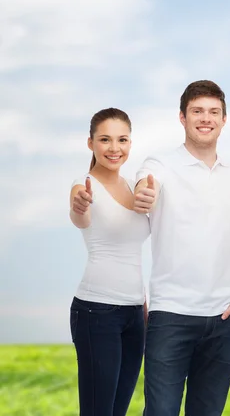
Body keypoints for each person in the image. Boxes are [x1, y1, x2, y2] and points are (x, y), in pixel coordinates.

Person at [133, 80, 230, 416]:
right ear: (182, 117)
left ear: (224, 120)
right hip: (171, 314)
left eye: (214, 112)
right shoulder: (160, 163)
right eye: (197, 111)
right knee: (161, 411)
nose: (206, 118)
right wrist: (144, 193)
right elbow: (145, 186)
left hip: (224, 317)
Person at [69, 107, 150, 416]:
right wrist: (80, 206)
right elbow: (80, 215)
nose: (114, 148)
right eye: (105, 140)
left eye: (122, 140)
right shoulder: (83, 185)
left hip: (135, 314)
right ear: (91, 143)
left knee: (119, 410)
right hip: (96, 311)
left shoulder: (133, 185)